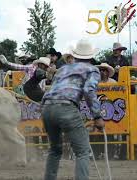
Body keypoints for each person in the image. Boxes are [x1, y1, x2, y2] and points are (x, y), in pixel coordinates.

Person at [41, 39, 105, 180]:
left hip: (47, 107)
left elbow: (52, 89)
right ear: (91, 56)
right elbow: (88, 91)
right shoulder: (92, 70)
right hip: (66, 107)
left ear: (75, 55)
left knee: (55, 149)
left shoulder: (63, 69)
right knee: (82, 151)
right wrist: (97, 116)